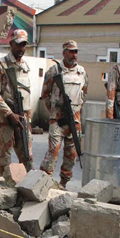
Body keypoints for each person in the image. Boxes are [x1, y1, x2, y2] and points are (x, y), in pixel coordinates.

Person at [39, 40, 88, 189]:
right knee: (53, 151)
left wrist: (75, 109)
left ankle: (63, 184)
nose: (74, 54)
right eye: (71, 51)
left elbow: (84, 93)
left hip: (75, 120)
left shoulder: (82, 72)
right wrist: (55, 111)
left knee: (71, 155)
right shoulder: (54, 71)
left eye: (76, 51)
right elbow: (45, 94)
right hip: (57, 120)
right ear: (64, 52)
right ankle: (44, 181)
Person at [0, 29, 34, 185]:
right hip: (5, 120)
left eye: (23, 45)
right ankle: (1, 197)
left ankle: (29, 192)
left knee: (28, 159)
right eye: (18, 45)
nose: (21, 49)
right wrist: (9, 114)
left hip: (23, 119)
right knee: (4, 163)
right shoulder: (0, 65)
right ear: (10, 44)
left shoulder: (25, 66)